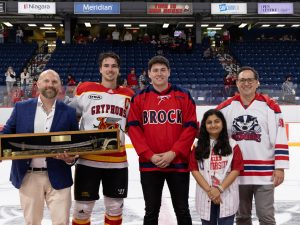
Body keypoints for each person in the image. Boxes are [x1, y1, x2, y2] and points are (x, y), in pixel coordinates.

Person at [2, 69, 79, 225]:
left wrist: (71, 159)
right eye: (46, 81)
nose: (50, 84)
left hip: (59, 175)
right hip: (28, 176)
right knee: (32, 222)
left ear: (60, 86)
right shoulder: (21, 108)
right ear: (37, 84)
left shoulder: (69, 113)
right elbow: (6, 134)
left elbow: (75, 145)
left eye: (54, 82)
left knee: (61, 222)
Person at [128, 55, 198, 225]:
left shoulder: (183, 95)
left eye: (163, 70)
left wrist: (174, 153)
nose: (159, 73)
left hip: (178, 162)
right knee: (151, 211)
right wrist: (149, 155)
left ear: (169, 73)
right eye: (155, 70)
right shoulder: (139, 98)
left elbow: (190, 127)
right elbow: (133, 128)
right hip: (150, 163)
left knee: (182, 209)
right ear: (149, 74)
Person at [216, 66, 289, 225]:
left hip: (265, 174)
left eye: (250, 80)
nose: (246, 83)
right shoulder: (225, 108)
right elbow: (216, 137)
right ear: (236, 83)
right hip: (236, 173)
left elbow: (280, 138)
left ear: (257, 83)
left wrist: (280, 167)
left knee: (266, 218)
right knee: (242, 218)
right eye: (242, 80)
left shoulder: (271, 107)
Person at [68, 52, 134, 225]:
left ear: (119, 70)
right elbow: (70, 119)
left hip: (117, 162)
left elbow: (132, 126)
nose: (110, 69)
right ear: (100, 69)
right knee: (82, 210)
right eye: (106, 65)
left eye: (113, 66)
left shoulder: (129, 95)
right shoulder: (85, 89)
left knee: (115, 209)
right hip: (87, 161)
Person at [189, 109, 243, 225]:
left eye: (217, 121)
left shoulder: (233, 145)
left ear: (222, 123)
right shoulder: (198, 146)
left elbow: (236, 170)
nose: (213, 125)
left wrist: (219, 189)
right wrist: (210, 191)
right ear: (204, 125)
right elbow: (194, 170)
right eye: (209, 122)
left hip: (226, 195)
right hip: (206, 194)